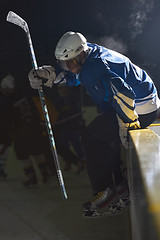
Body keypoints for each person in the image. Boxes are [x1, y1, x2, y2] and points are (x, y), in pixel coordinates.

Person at [28, 31, 160, 217]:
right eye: (63, 63)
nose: (68, 67)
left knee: (91, 137)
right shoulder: (89, 54)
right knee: (102, 137)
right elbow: (76, 76)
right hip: (144, 100)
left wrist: (129, 123)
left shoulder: (95, 67)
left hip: (138, 107)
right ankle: (120, 186)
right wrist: (51, 74)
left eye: (71, 63)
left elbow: (123, 92)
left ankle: (106, 192)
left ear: (81, 54)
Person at [0, 75, 53, 186]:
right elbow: (34, 109)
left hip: (21, 130)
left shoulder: (7, 101)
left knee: (21, 153)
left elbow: (8, 119)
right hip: (34, 127)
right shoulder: (24, 94)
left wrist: (8, 130)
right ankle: (45, 173)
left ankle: (31, 177)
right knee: (36, 151)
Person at [54, 83, 86, 174]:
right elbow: (56, 115)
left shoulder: (73, 100)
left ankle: (82, 160)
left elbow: (78, 112)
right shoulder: (57, 102)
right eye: (61, 89)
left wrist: (79, 122)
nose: (63, 90)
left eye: (64, 88)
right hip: (63, 128)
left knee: (77, 144)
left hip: (74, 127)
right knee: (64, 147)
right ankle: (68, 161)